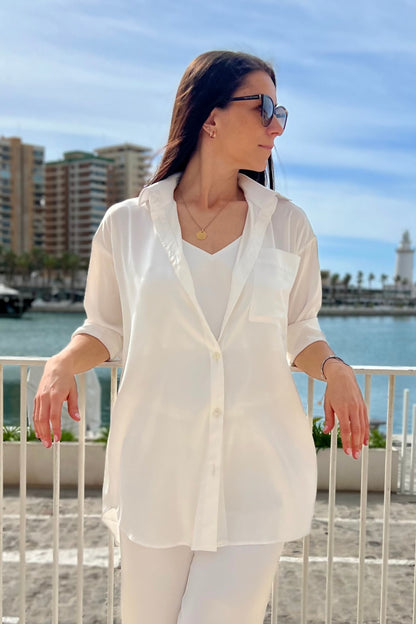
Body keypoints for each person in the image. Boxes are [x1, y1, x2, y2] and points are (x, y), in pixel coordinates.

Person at [34, 50, 369, 624]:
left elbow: (299, 329)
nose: (277, 126)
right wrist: (63, 360)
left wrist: (334, 368)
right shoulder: (127, 224)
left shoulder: (288, 225)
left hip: (256, 476)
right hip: (155, 474)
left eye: (280, 113)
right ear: (210, 117)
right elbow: (106, 326)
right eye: (263, 108)